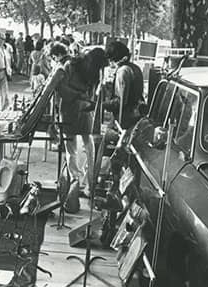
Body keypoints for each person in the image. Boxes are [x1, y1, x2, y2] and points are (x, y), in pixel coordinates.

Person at [51, 43, 108, 196]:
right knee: (79, 146)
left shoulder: (78, 66)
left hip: (77, 108)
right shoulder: (75, 67)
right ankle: (79, 181)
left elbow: (62, 89)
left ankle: (81, 180)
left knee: (79, 146)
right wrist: (83, 97)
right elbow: (62, 88)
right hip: (76, 108)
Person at [104, 41, 144, 129]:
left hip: (125, 119)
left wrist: (102, 105)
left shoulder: (123, 71)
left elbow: (121, 102)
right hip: (136, 115)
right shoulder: (135, 67)